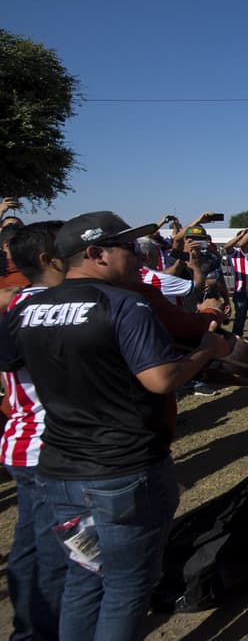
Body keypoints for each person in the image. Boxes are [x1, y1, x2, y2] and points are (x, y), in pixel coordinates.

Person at [0, 211, 230, 641]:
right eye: (128, 247)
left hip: (59, 469)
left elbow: (11, 370)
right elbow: (160, 379)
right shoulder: (126, 303)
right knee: (126, 587)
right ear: (94, 253)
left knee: (84, 578)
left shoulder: (25, 308)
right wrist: (205, 352)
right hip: (121, 470)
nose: (138, 256)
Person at [2, 222, 67, 641]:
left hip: (19, 442)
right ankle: (42, 632)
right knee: (55, 550)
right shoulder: (55, 310)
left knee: (26, 544)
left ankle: (27, 626)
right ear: (47, 259)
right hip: (50, 445)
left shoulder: (13, 304)